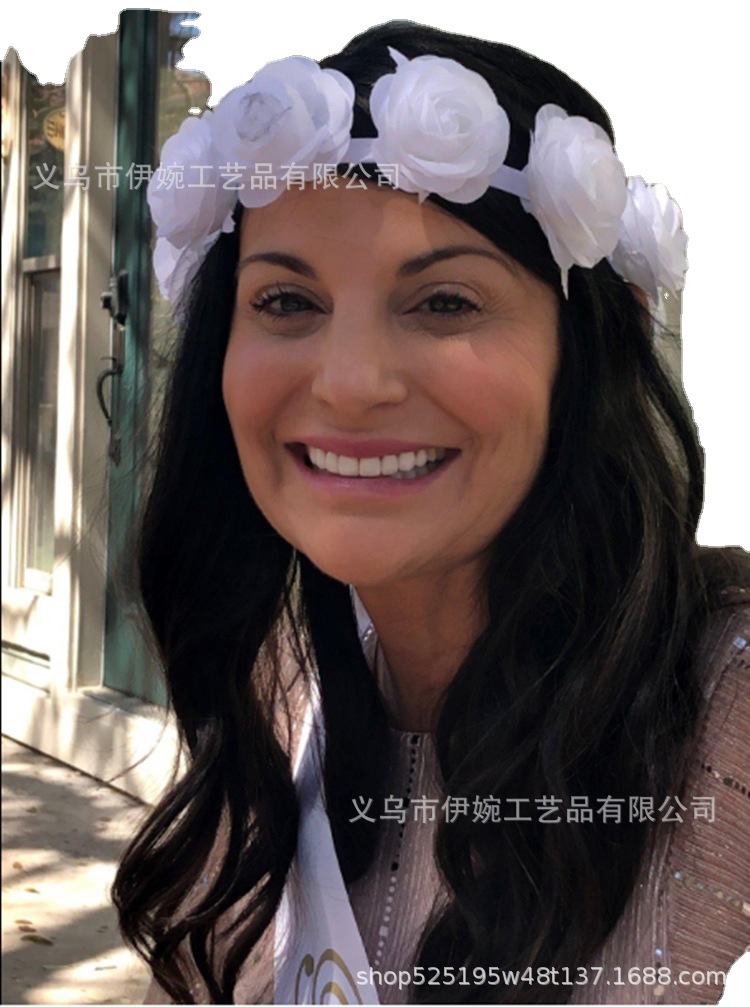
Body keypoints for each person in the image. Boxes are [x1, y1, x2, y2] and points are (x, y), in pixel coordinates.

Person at [112, 20, 750, 1006]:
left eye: (446, 302)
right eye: (286, 301)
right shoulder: (275, 688)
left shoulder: (728, 713)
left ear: (584, 355)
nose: (349, 382)